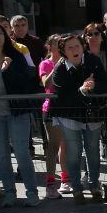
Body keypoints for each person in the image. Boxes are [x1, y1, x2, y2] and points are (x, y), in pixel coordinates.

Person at [49, 33, 107, 205]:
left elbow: (105, 84)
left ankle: (94, 186)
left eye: (77, 46)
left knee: (93, 150)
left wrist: (94, 86)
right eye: (70, 47)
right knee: (74, 152)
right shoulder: (60, 68)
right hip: (69, 115)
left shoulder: (93, 61)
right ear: (63, 51)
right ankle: (76, 188)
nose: (75, 50)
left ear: (82, 46)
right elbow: (61, 95)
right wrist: (82, 90)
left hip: (92, 113)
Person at [0, 22, 41, 207]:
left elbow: (28, 81)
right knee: (1, 155)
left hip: (17, 112)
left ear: (6, 35)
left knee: (21, 153)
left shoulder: (16, 56)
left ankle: (32, 192)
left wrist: (8, 69)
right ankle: (9, 193)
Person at [38, 34, 67, 199]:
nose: (61, 46)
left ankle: (66, 179)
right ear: (50, 46)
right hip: (51, 108)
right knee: (53, 146)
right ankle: (50, 183)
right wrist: (57, 65)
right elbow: (46, 84)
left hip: (68, 108)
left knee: (67, 146)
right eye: (57, 43)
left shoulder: (68, 61)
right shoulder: (46, 63)